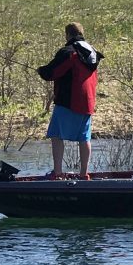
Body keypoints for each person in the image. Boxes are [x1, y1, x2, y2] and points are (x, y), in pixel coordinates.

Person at [37, 22, 103, 179]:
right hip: (88, 102)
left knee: (56, 135)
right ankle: (84, 174)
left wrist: (41, 70)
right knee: (84, 138)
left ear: (68, 35)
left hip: (69, 101)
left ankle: (57, 173)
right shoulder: (91, 52)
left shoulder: (69, 52)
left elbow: (53, 71)